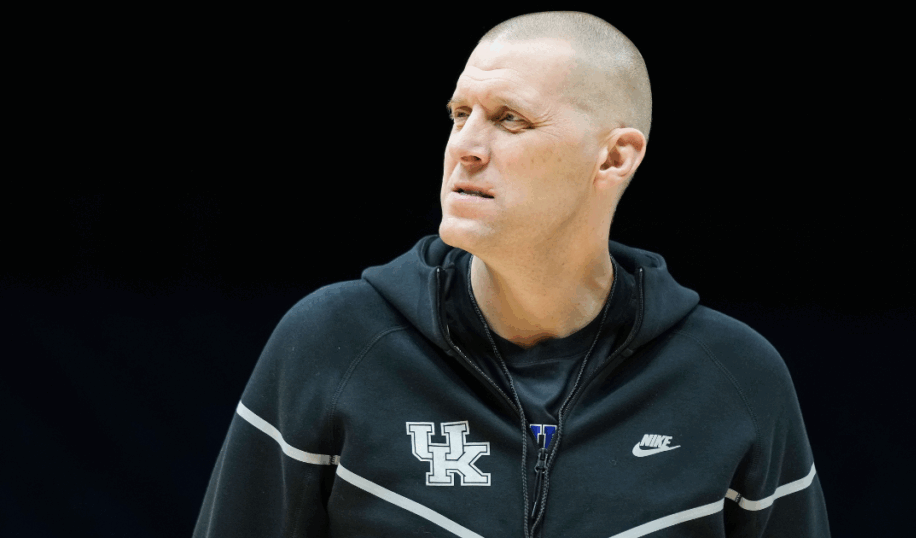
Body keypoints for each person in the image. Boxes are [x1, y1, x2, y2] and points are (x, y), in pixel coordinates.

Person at [194, 11, 830, 537]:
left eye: (509, 119)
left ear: (614, 157)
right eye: (459, 114)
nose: (466, 147)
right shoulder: (332, 341)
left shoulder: (738, 379)